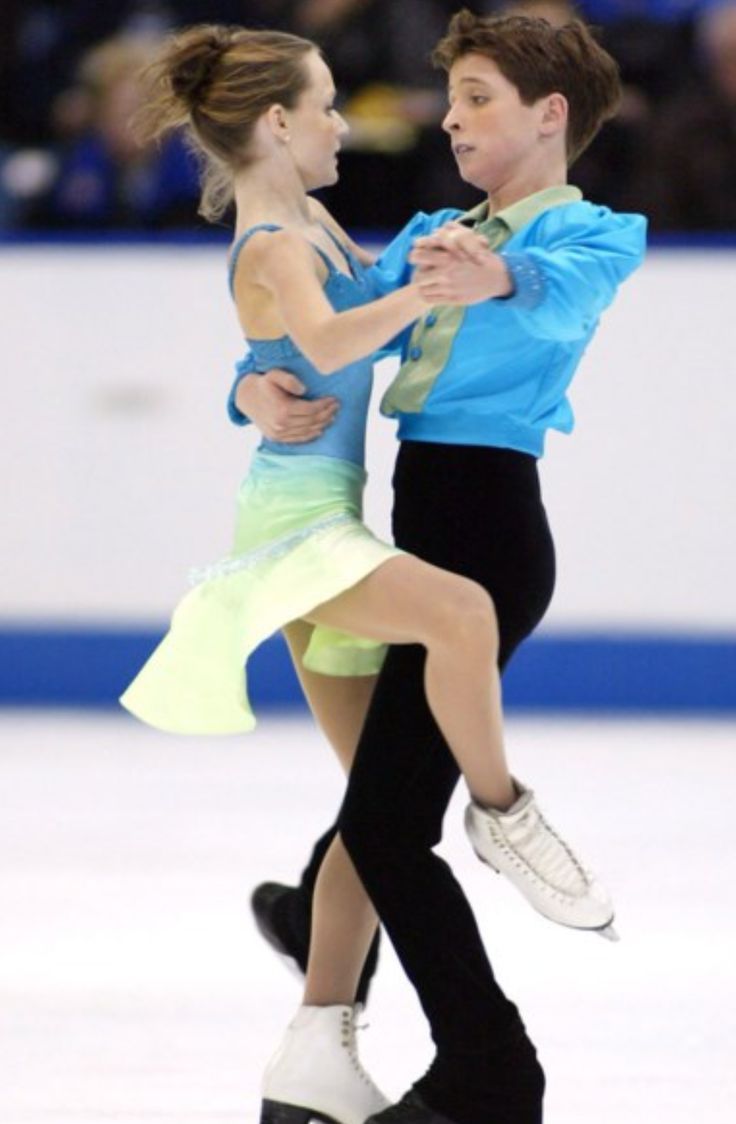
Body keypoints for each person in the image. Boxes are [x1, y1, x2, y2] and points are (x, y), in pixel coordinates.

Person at [118, 18, 618, 1124]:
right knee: (406, 754)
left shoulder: (571, 236)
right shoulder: (343, 235)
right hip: (337, 525)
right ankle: (487, 833)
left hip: (418, 519)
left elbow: (529, 296)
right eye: (333, 103)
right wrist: (252, 387)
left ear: (547, 115)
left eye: (474, 96)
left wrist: (484, 278)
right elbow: (319, 339)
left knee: (380, 817)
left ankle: (346, 1034)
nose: (433, 117)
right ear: (282, 119)